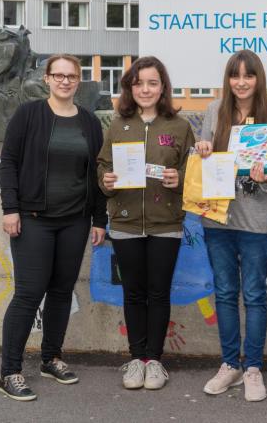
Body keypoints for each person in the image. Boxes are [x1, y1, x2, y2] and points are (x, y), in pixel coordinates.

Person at [0, 54, 107, 401]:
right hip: (33, 219)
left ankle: (51, 358)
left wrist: (99, 219)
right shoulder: (28, 114)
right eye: (58, 75)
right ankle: (10, 371)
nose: (64, 81)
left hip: (75, 220)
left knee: (61, 291)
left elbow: (97, 173)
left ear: (78, 80)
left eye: (70, 76)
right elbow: (9, 162)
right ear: (47, 79)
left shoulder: (89, 122)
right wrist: (10, 208)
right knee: (29, 294)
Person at [194, 50, 267, 402]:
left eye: (248, 75)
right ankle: (229, 364)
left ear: (258, 79)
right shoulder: (213, 110)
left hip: (256, 221)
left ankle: (253, 368)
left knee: (253, 294)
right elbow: (202, 158)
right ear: (228, 79)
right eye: (235, 75)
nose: (241, 82)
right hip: (217, 218)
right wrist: (202, 149)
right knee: (224, 293)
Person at [97, 56, 195, 391]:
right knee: (133, 292)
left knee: (158, 292)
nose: (145, 89)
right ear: (130, 87)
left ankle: (155, 360)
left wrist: (179, 179)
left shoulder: (179, 126)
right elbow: (102, 166)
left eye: (152, 83)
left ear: (163, 87)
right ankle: (136, 359)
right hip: (125, 223)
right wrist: (106, 180)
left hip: (165, 222)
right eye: (139, 83)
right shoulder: (117, 125)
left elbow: (193, 170)